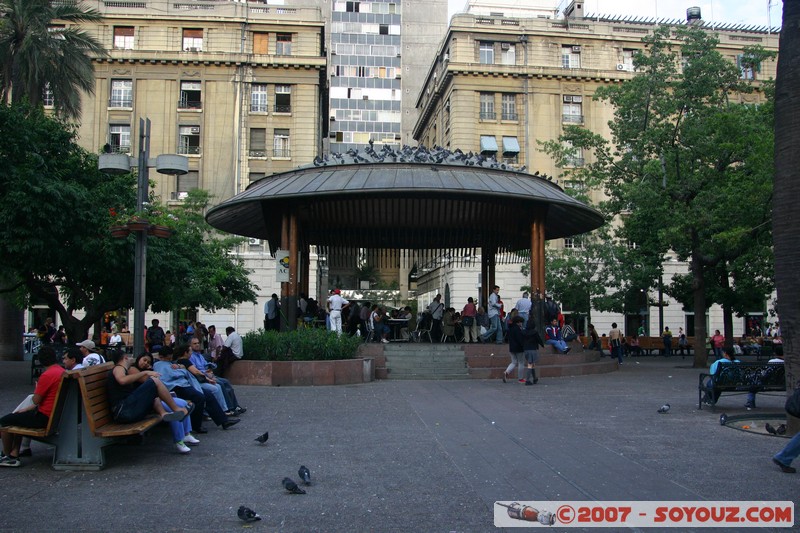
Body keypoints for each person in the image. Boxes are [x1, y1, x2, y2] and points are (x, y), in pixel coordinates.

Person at [0, 347, 65, 467]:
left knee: (4, 422)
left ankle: (8, 455)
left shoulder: (47, 375)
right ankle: (15, 454)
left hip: (44, 417)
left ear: (40, 360)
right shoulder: (61, 371)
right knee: (19, 417)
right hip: (55, 415)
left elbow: (36, 400)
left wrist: (37, 389)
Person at [131, 353, 199, 453]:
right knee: (174, 410)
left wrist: (149, 371)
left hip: (158, 397)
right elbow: (147, 382)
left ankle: (186, 434)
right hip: (148, 401)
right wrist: (149, 372)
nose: (145, 363)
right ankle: (179, 441)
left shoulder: (148, 371)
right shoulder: (133, 369)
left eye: (148, 362)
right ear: (139, 358)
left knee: (183, 403)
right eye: (144, 360)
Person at [162, 344, 239, 431]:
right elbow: (195, 372)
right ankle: (197, 425)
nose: (191, 353)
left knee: (209, 394)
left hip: (188, 384)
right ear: (185, 353)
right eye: (190, 351)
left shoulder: (175, 363)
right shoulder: (178, 362)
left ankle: (224, 421)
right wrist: (208, 379)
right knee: (205, 394)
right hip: (181, 387)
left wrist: (181, 367)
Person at [189, 338, 246, 416]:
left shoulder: (200, 355)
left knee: (226, 382)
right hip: (203, 377)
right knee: (220, 384)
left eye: (198, 343)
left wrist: (210, 368)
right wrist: (207, 374)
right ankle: (228, 408)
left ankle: (235, 406)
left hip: (209, 373)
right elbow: (196, 370)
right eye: (194, 343)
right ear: (190, 345)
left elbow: (205, 364)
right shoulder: (191, 356)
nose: (197, 345)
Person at [503, 315, 526, 383]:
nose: (521, 324)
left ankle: (507, 372)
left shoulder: (510, 328)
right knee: (521, 363)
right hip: (519, 348)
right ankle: (520, 378)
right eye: (521, 322)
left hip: (512, 347)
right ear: (518, 322)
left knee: (513, 362)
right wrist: (524, 345)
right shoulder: (518, 329)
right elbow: (520, 339)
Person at [522, 317, 545, 385]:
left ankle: (535, 378)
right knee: (530, 364)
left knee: (532, 364)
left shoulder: (523, 332)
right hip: (533, 349)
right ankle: (528, 380)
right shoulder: (534, 332)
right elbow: (539, 340)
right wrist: (542, 345)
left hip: (526, 349)